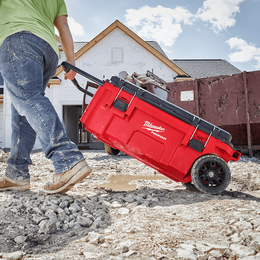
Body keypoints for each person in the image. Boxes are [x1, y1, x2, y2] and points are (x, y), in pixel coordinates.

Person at [0, 0, 92, 193]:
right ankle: (16, 173)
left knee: (28, 100)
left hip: (17, 38)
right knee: (23, 109)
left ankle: (67, 159)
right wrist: (71, 60)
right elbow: (63, 26)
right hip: (49, 50)